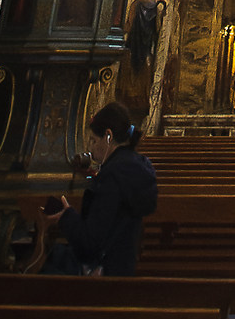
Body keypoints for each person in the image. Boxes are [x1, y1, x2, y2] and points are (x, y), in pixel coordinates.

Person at [36, 100, 157, 276]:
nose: (91, 149)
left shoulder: (112, 177)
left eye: (93, 140)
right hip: (126, 267)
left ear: (108, 136)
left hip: (105, 272)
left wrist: (66, 216)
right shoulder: (140, 170)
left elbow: (89, 245)